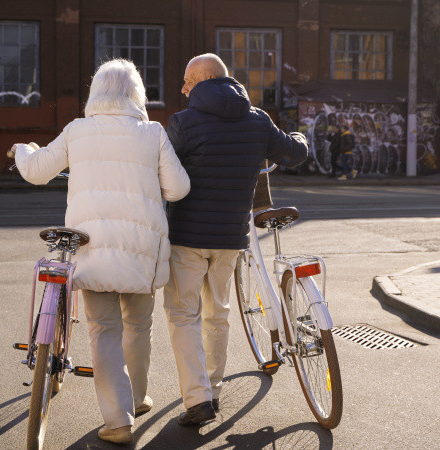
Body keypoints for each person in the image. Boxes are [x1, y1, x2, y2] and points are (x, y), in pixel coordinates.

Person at [10, 59, 190, 444]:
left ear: (96, 92)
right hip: (142, 249)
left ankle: (118, 420)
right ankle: (136, 399)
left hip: (92, 248)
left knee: (103, 330)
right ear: (136, 93)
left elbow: (37, 171)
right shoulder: (152, 133)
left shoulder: (77, 130)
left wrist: (24, 150)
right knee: (138, 325)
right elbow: (178, 189)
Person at [163, 53, 308, 426]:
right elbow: (293, 154)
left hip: (187, 237)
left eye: (188, 81)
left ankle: (199, 400)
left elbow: (160, 171)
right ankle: (212, 390)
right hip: (230, 237)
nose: (183, 88)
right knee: (218, 314)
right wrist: (298, 136)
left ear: (206, 79)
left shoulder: (182, 123)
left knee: (183, 315)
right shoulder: (258, 120)